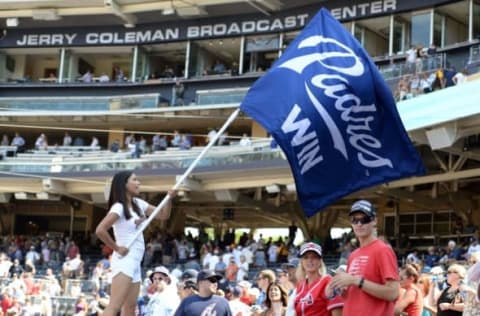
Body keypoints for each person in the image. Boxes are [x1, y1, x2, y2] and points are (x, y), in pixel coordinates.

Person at [95, 170, 175, 316]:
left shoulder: (138, 204)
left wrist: (169, 198)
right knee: (114, 307)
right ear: (124, 185)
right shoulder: (118, 207)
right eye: (135, 180)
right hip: (124, 260)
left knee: (130, 308)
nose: (139, 183)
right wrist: (117, 248)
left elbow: (163, 215)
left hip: (135, 262)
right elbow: (100, 230)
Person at [327, 200, 400, 316]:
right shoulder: (353, 255)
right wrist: (337, 287)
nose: (359, 224)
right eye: (355, 220)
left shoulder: (383, 250)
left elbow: (393, 293)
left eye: (364, 219)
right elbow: (352, 295)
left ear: (374, 221)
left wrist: (356, 281)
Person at [294, 242, 343, 316]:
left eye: (314, 257)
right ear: (301, 261)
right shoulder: (300, 285)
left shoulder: (329, 282)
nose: (310, 260)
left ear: (320, 261)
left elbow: (338, 313)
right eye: (306, 257)